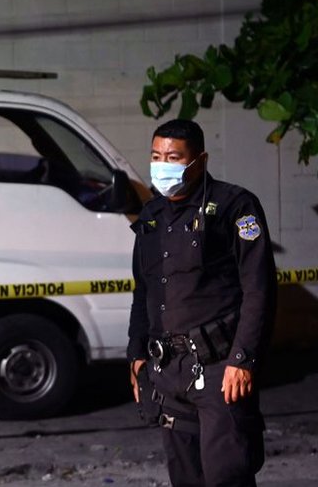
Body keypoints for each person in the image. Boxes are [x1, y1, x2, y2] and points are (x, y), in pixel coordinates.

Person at [127, 119, 276, 486]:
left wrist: (243, 358)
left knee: (227, 475)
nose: (163, 164)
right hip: (168, 371)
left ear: (200, 160)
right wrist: (136, 356)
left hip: (219, 370)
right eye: (156, 156)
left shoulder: (234, 207)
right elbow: (143, 291)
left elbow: (259, 287)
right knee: (185, 478)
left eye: (174, 157)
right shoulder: (151, 217)